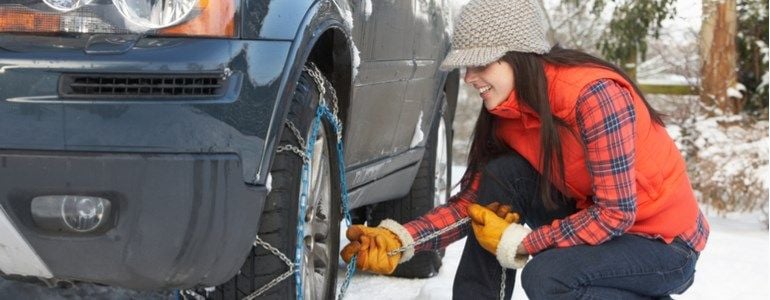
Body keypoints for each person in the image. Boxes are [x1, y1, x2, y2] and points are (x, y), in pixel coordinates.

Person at [340, 0, 709, 298]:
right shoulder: (507, 114)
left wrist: (525, 241)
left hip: (663, 245)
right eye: (466, 66)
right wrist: (402, 240)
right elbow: (474, 207)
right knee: (502, 178)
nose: (469, 78)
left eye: (480, 63)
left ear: (520, 56)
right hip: (601, 227)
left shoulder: (594, 97)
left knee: (548, 277)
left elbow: (616, 214)